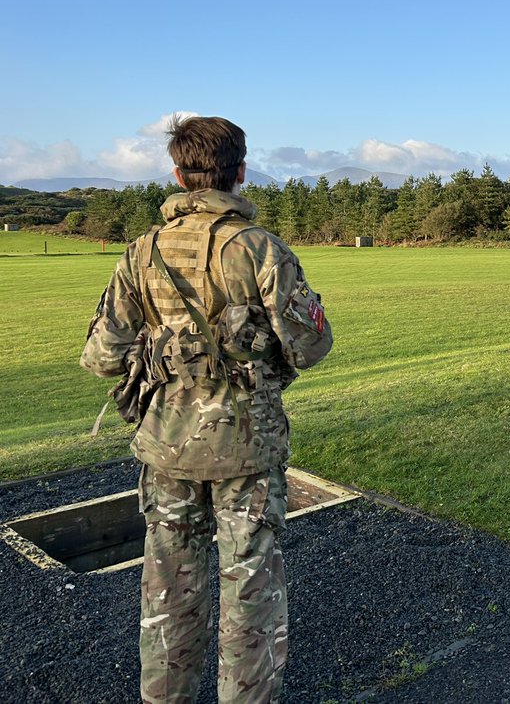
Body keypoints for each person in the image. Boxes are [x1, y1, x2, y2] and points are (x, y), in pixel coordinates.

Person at [81, 116, 333, 703]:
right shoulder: (261, 250)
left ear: (177, 173)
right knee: (250, 586)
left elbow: (101, 357)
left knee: (168, 588)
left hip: (167, 446)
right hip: (247, 446)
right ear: (240, 171)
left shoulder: (141, 254)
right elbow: (311, 345)